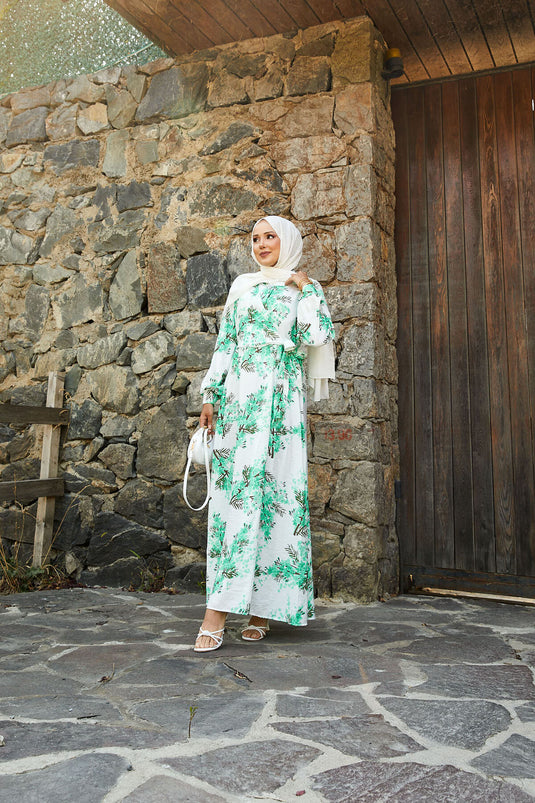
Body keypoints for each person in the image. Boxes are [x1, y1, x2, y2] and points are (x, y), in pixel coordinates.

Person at [193, 215, 335, 652]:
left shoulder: (304, 289)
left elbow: (316, 335)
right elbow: (226, 343)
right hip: (239, 401)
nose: (261, 244)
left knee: (277, 498)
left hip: (282, 405)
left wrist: (306, 289)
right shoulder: (243, 287)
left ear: (286, 241)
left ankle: (264, 610)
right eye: (255, 238)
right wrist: (211, 394)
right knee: (234, 501)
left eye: (270, 236)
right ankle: (216, 612)